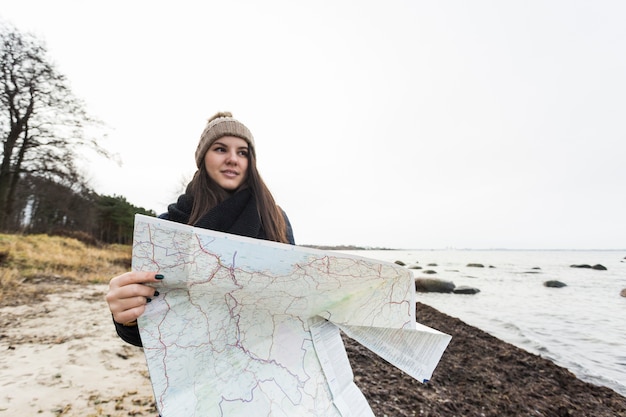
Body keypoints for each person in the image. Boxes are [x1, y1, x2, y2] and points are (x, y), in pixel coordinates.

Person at [105, 111, 295, 347]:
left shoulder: (276, 219)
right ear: (203, 157)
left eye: (242, 152)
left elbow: (291, 304)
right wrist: (126, 317)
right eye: (220, 149)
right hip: (194, 368)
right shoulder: (168, 226)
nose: (233, 159)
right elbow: (150, 331)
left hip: (264, 360)